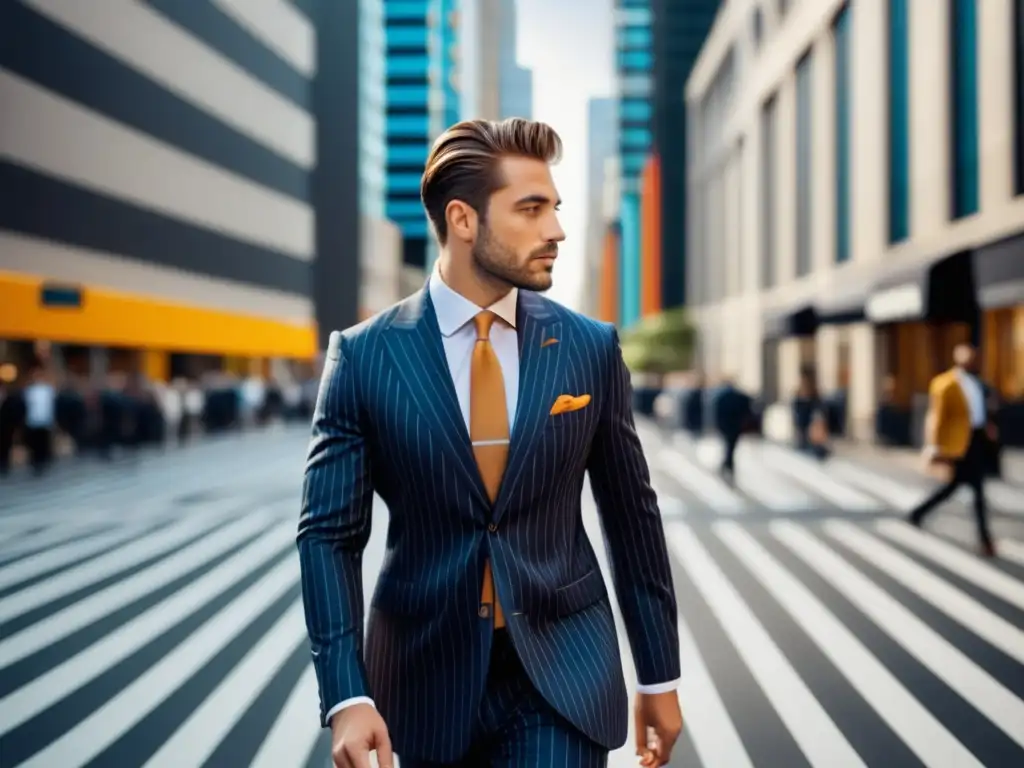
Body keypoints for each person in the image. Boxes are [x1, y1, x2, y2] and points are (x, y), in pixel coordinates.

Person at [297, 118, 683, 768]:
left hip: (563, 676)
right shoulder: (363, 358)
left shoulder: (589, 347)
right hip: (421, 680)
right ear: (463, 220)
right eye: (531, 210)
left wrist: (658, 676)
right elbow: (328, 536)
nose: (556, 230)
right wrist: (345, 694)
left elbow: (632, 516)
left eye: (555, 208)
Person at [907, 343, 997, 557]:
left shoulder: (978, 384)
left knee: (961, 487)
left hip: (976, 439)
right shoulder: (945, 384)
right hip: (958, 444)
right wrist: (935, 447)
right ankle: (985, 539)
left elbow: (978, 411)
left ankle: (918, 513)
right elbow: (936, 417)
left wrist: (988, 428)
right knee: (973, 490)